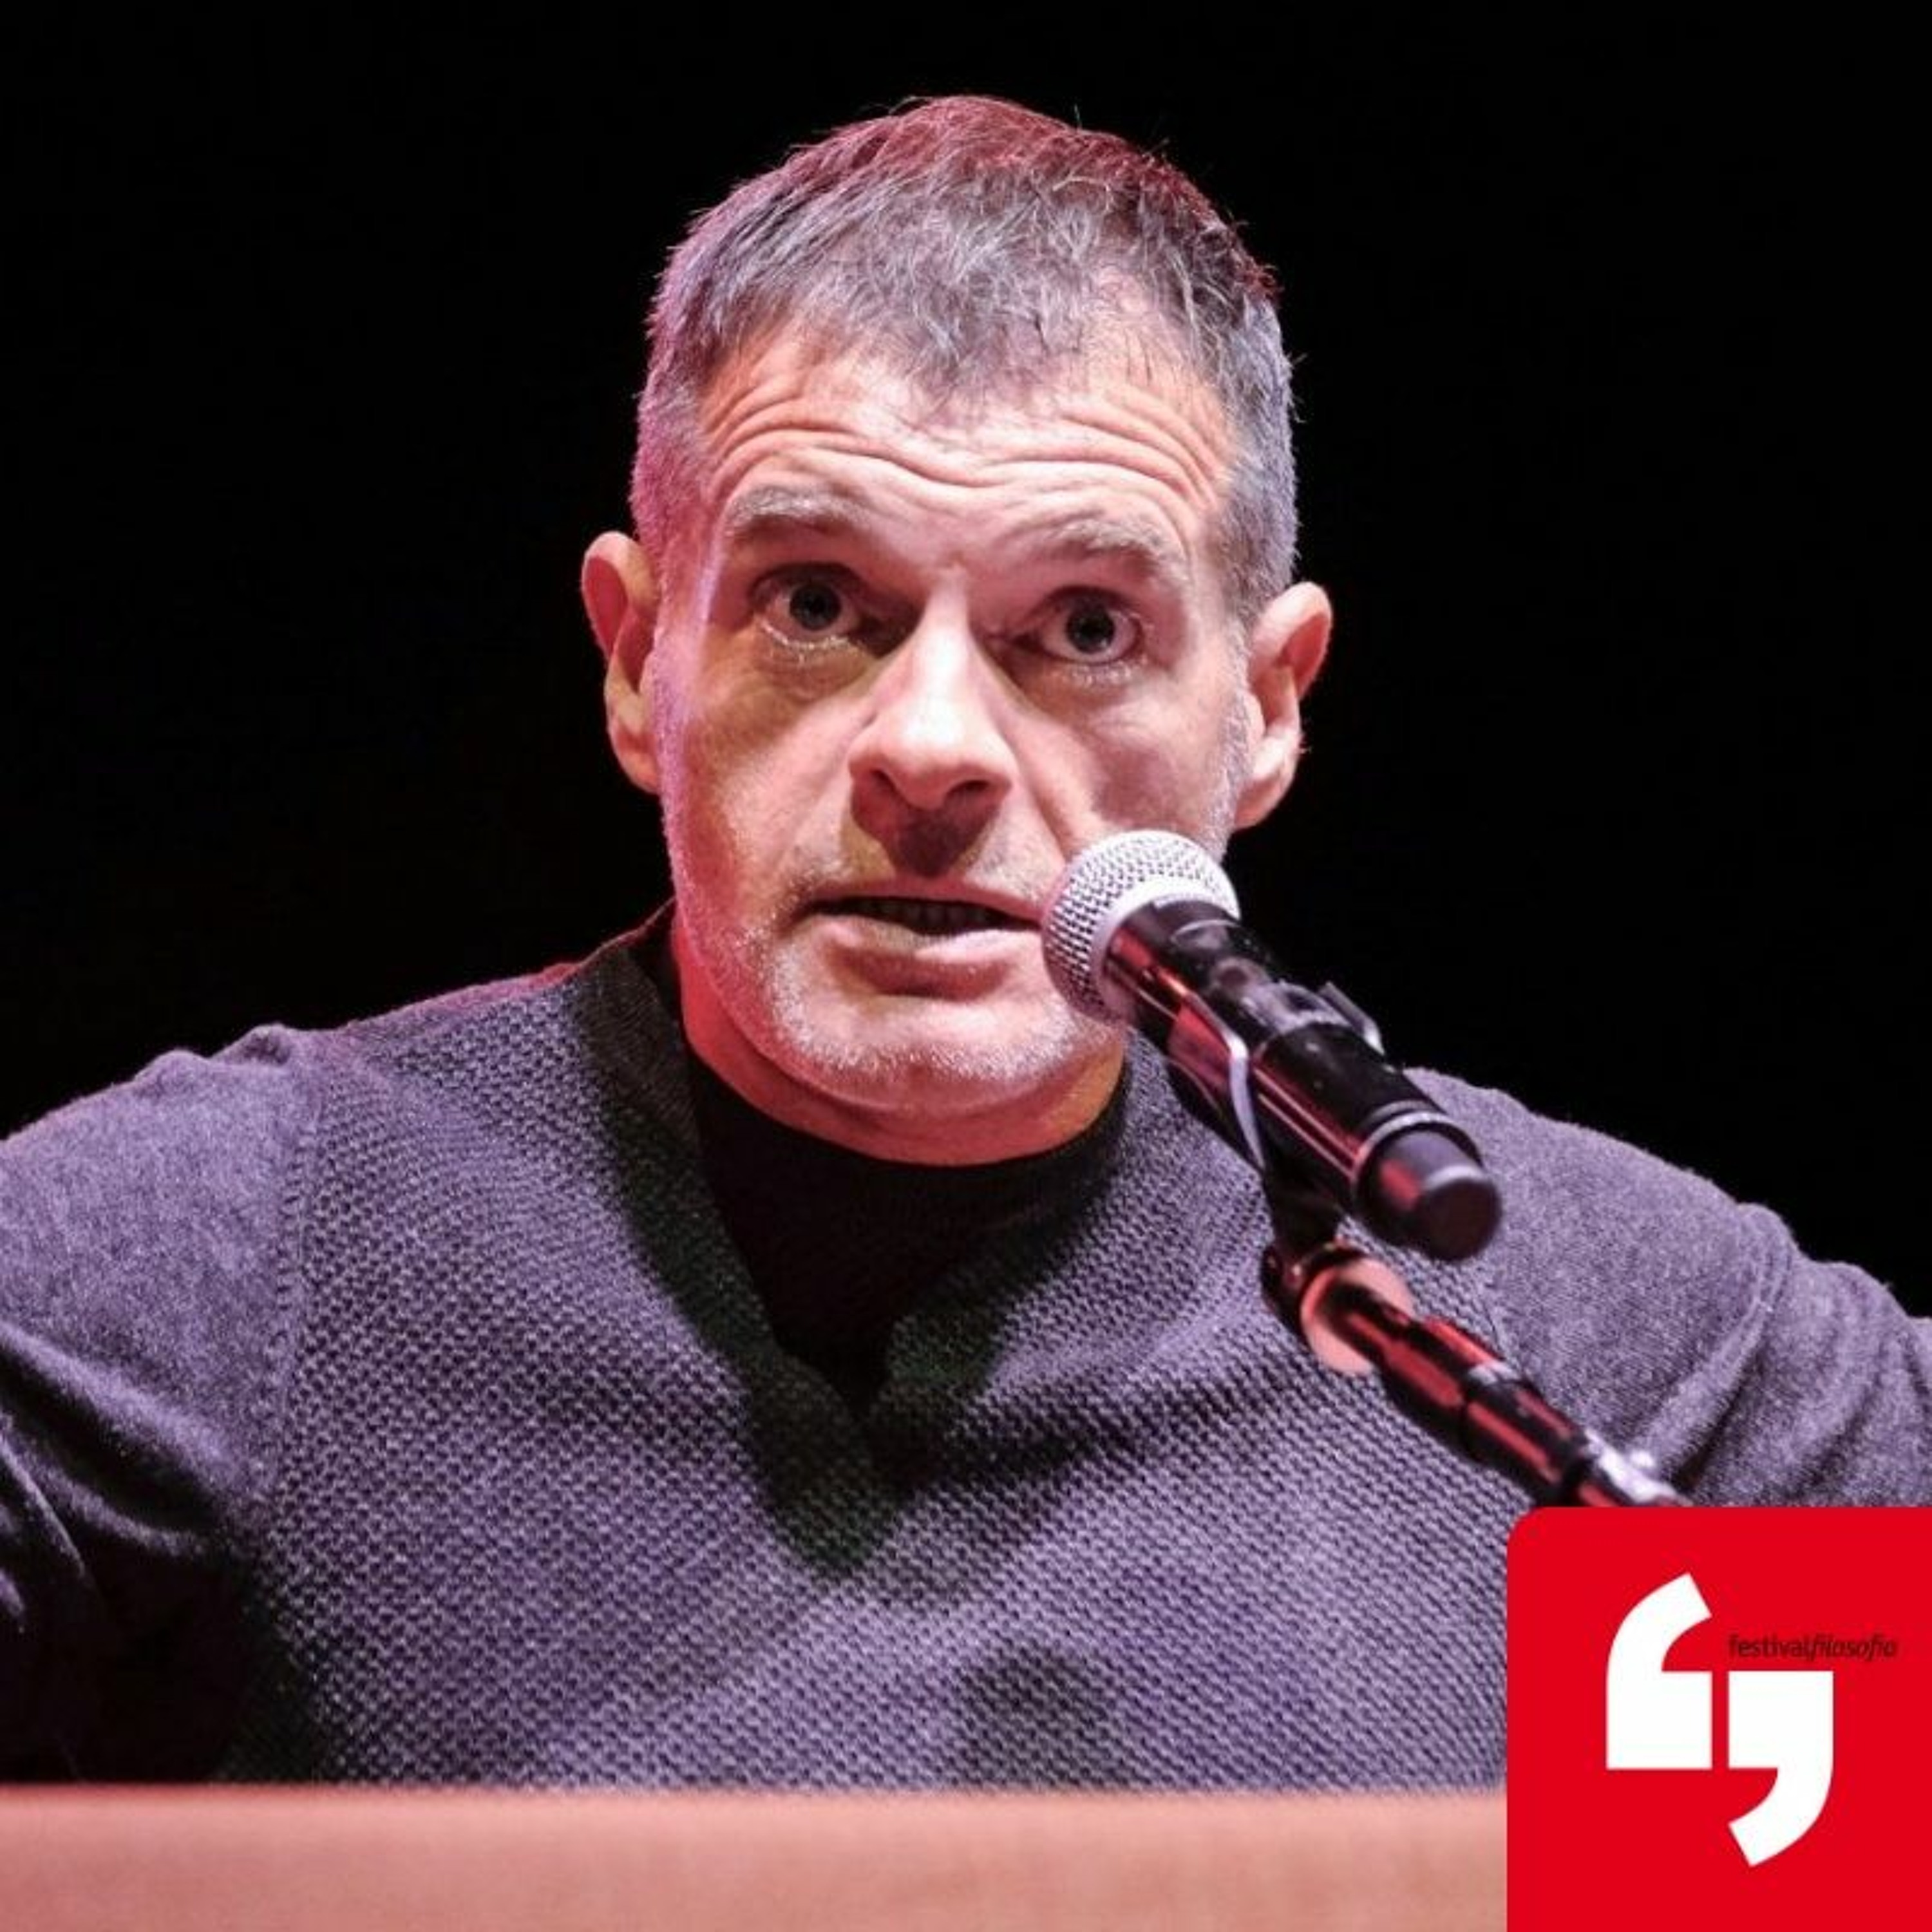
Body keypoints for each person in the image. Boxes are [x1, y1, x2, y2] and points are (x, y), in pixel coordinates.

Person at [1, 95, 1926, 1788]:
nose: (930, 750)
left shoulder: (1622, 1356)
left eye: (1084, 628)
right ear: (637, 660)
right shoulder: (236, 1259)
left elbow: (1793, 1864)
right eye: (815, 604)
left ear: (1267, 709)